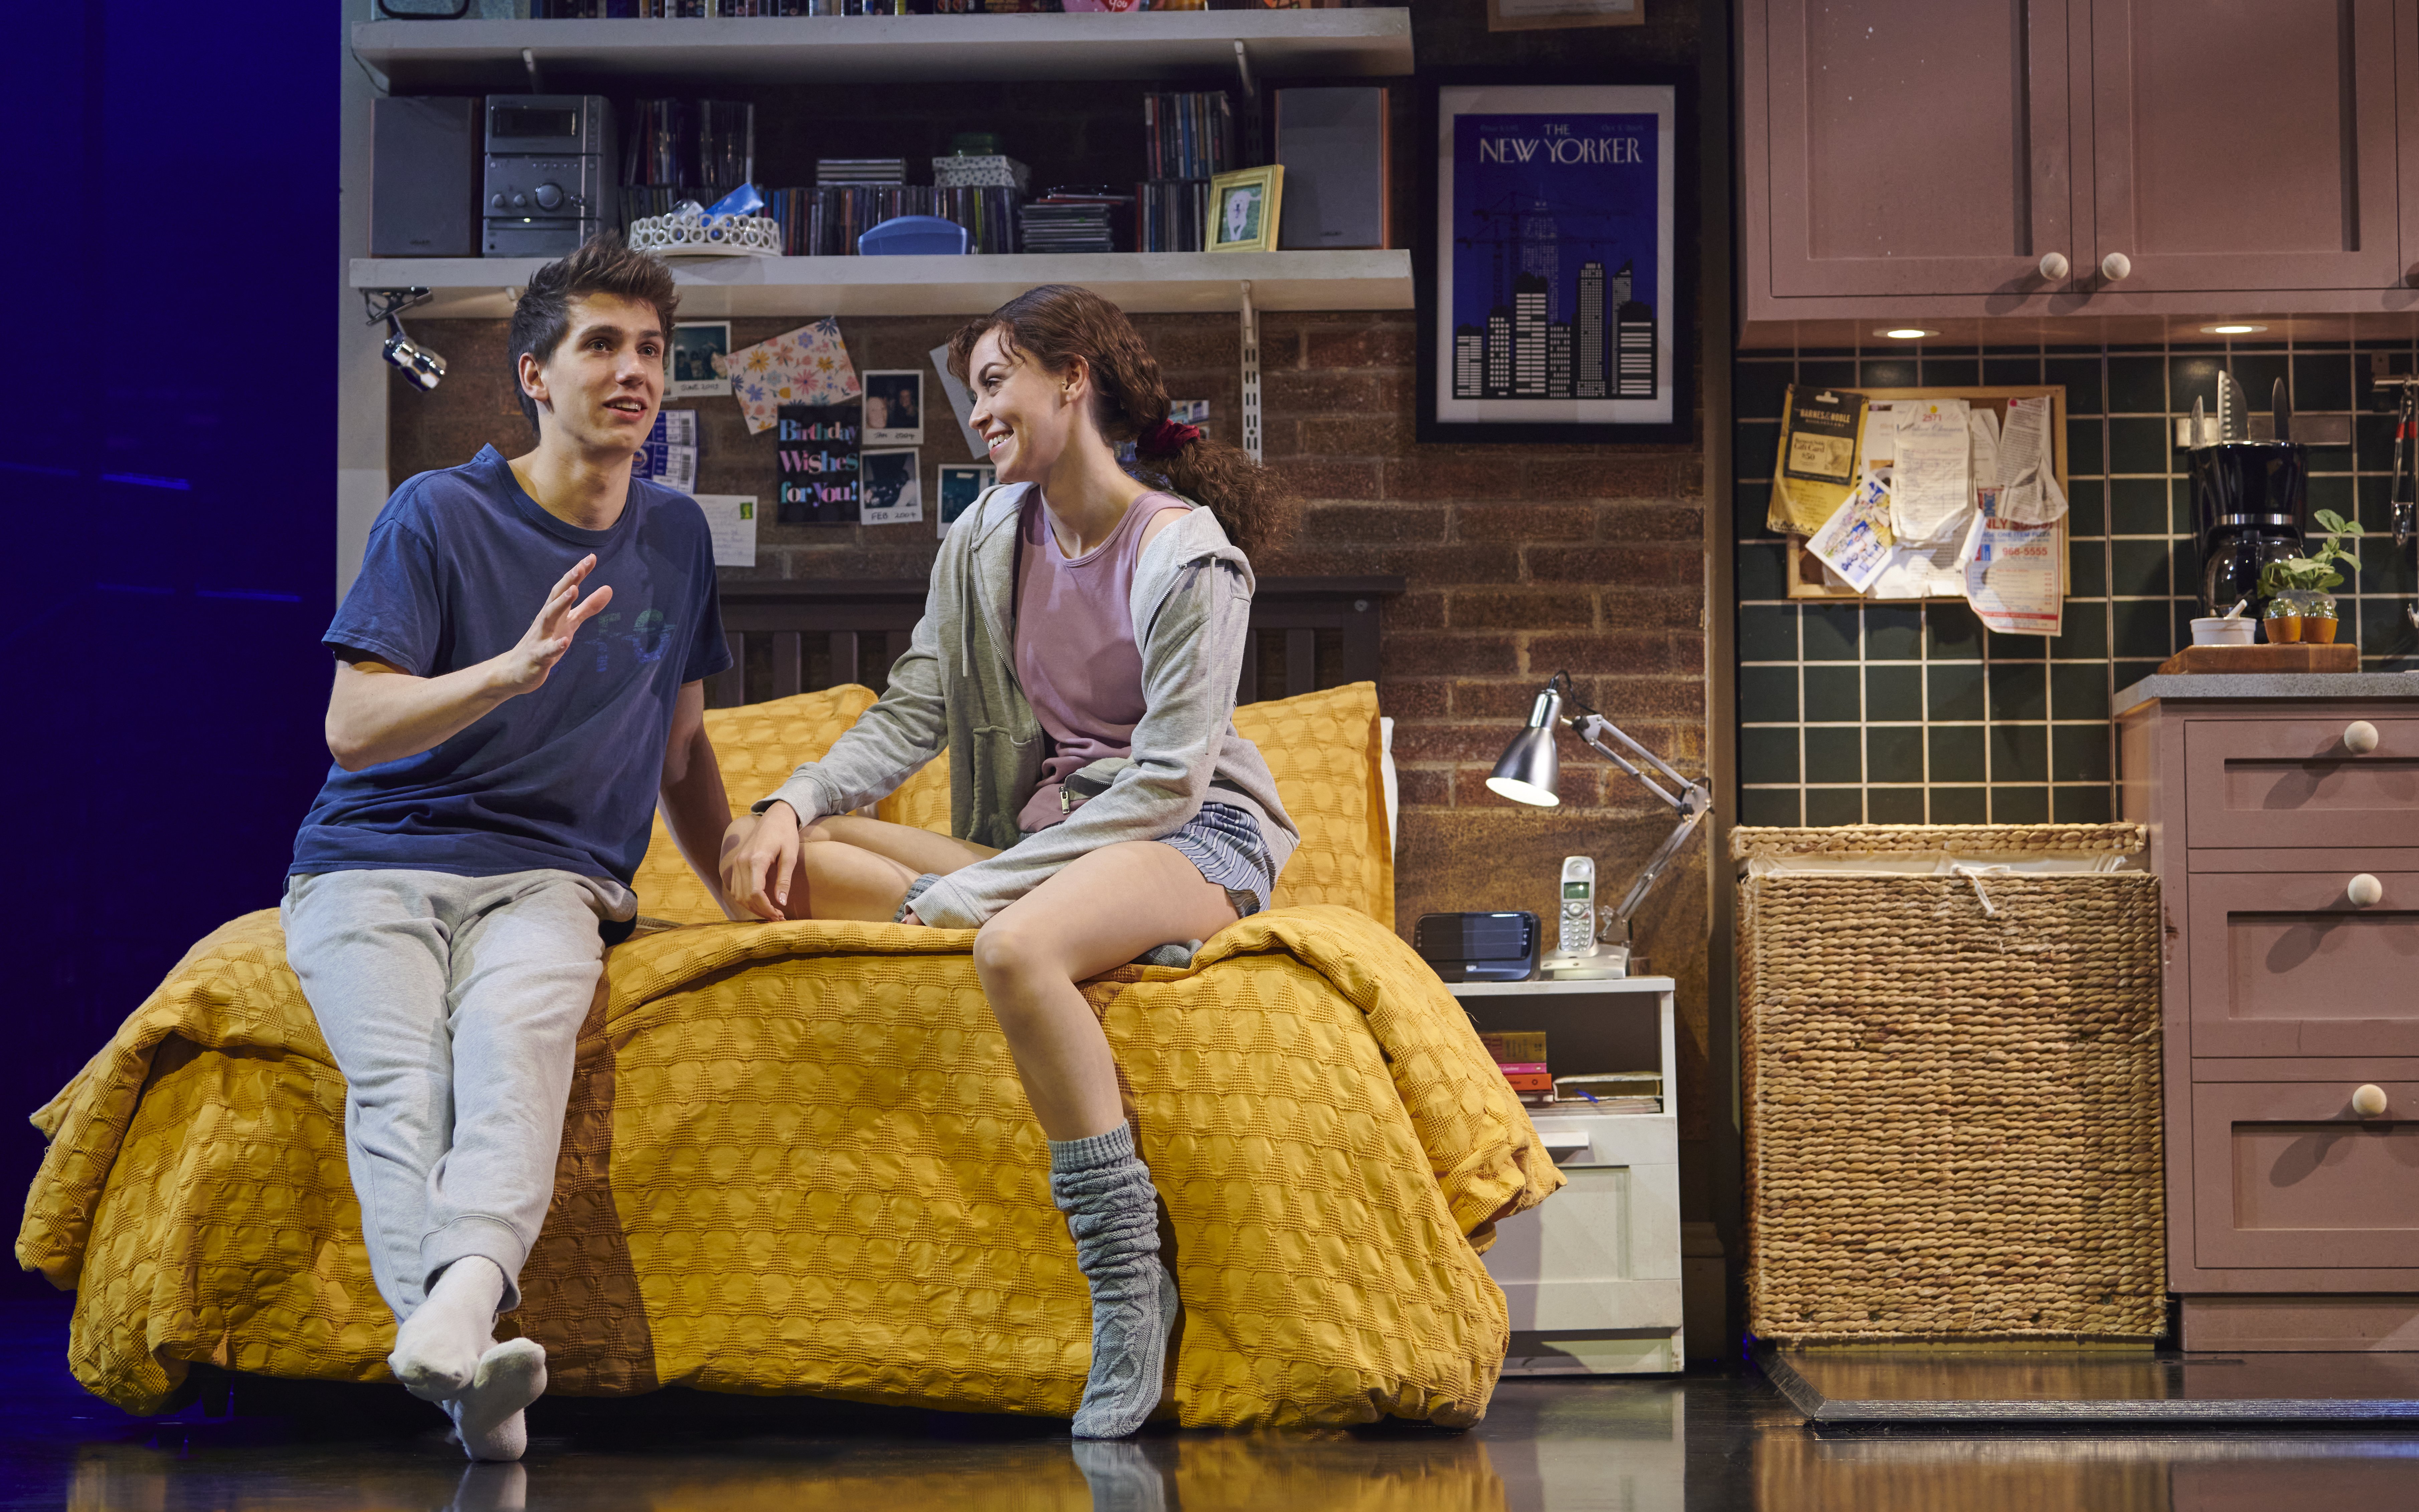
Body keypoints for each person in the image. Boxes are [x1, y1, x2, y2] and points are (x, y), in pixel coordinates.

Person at [718, 284, 1299, 1439]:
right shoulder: (986, 535)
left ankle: (1129, 1284)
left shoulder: (1192, 559)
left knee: (1017, 945)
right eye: (973, 391)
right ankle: (1099, 925)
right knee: (802, 866)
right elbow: (913, 709)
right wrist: (788, 800)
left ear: (1070, 378)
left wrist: (981, 891)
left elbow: (1169, 780)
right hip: (1049, 841)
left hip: (1187, 834)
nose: (977, 414)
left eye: (994, 384)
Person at [283, 234, 736, 1462]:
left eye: (650, 349)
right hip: (370, 859)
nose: (634, 370)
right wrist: (508, 672)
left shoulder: (677, 536)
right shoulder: (438, 511)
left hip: (548, 876)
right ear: (535, 375)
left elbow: (684, 756)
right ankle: (470, 1370)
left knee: (513, 1054)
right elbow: (354, 728)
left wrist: (744, 895)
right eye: (602, 345)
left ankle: (462, 1329)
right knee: (401, 1092)